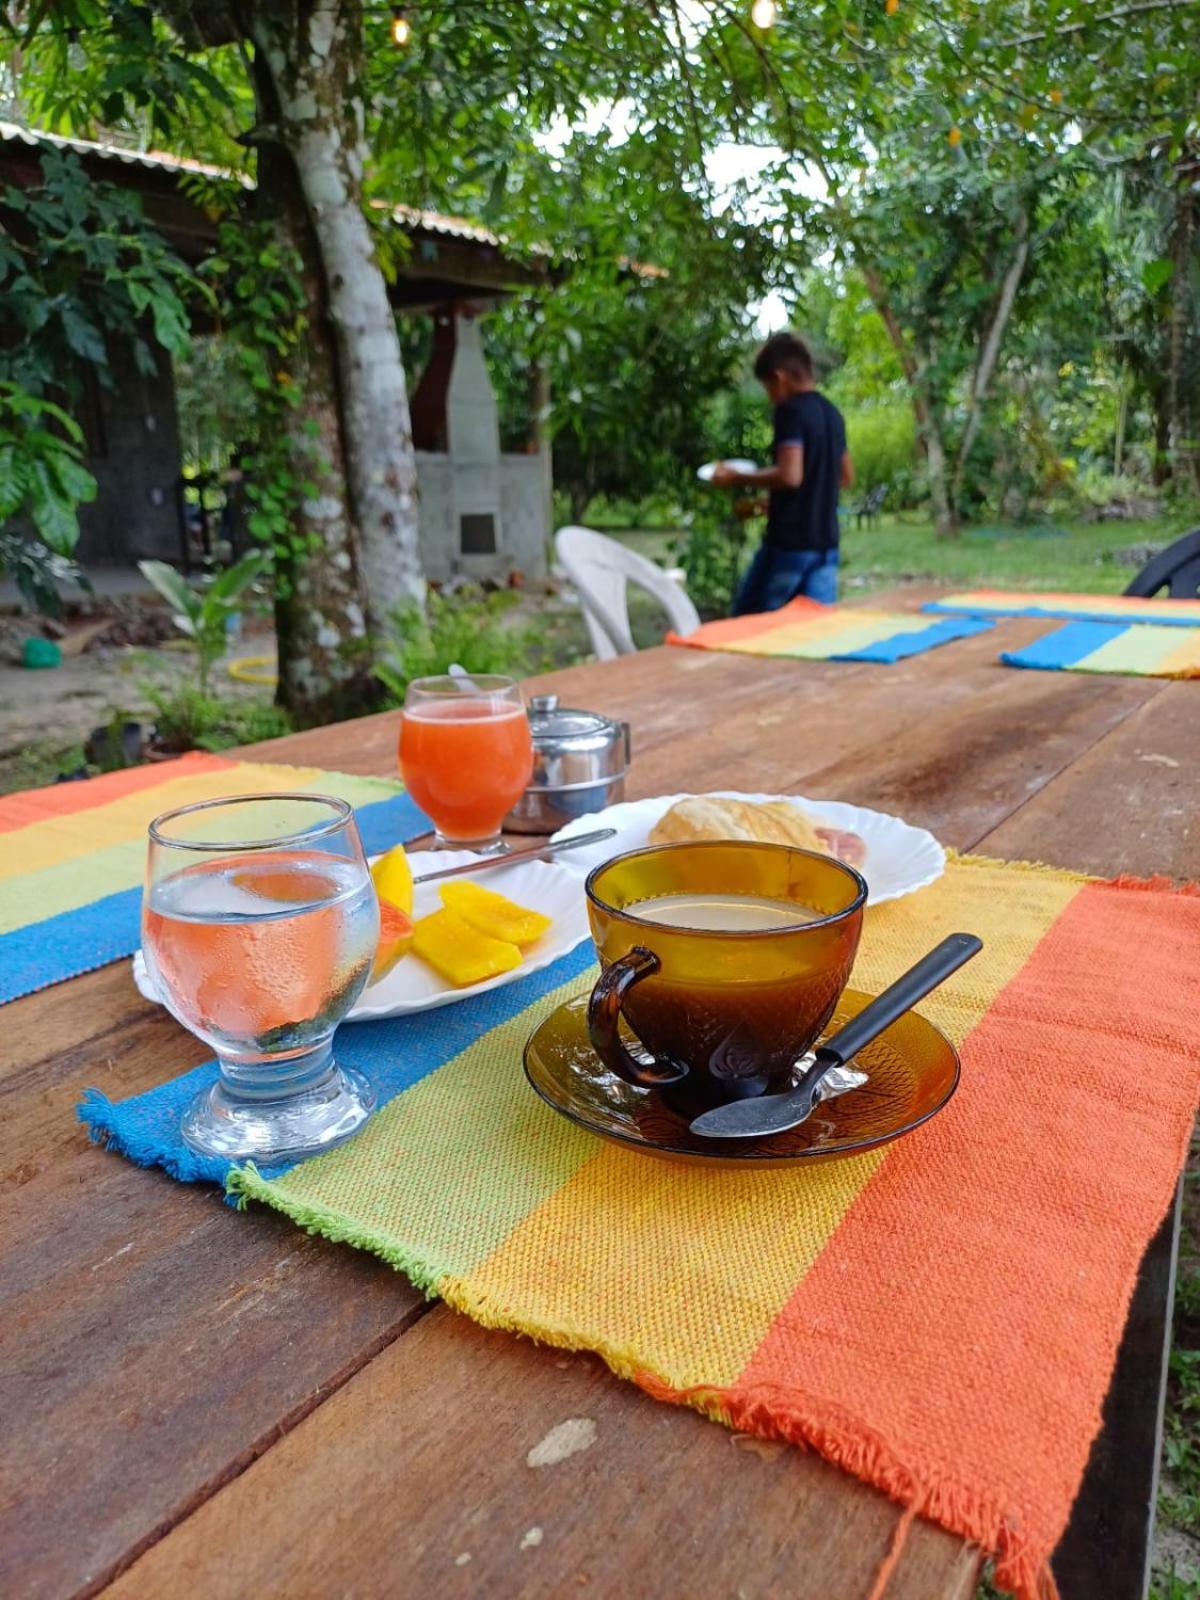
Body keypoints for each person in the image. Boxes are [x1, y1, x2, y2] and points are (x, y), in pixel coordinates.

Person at [713, 332, 853, 614]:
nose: (770, 398)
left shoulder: (790, 411)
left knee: (750, 626)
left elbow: (791, 475)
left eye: (768, 388)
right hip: (826, 546)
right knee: (814, 632)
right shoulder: (832, 414)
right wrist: (781, 503)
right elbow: (845, 476)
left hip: (790, 546)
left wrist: (735, 477)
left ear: (779, 378)